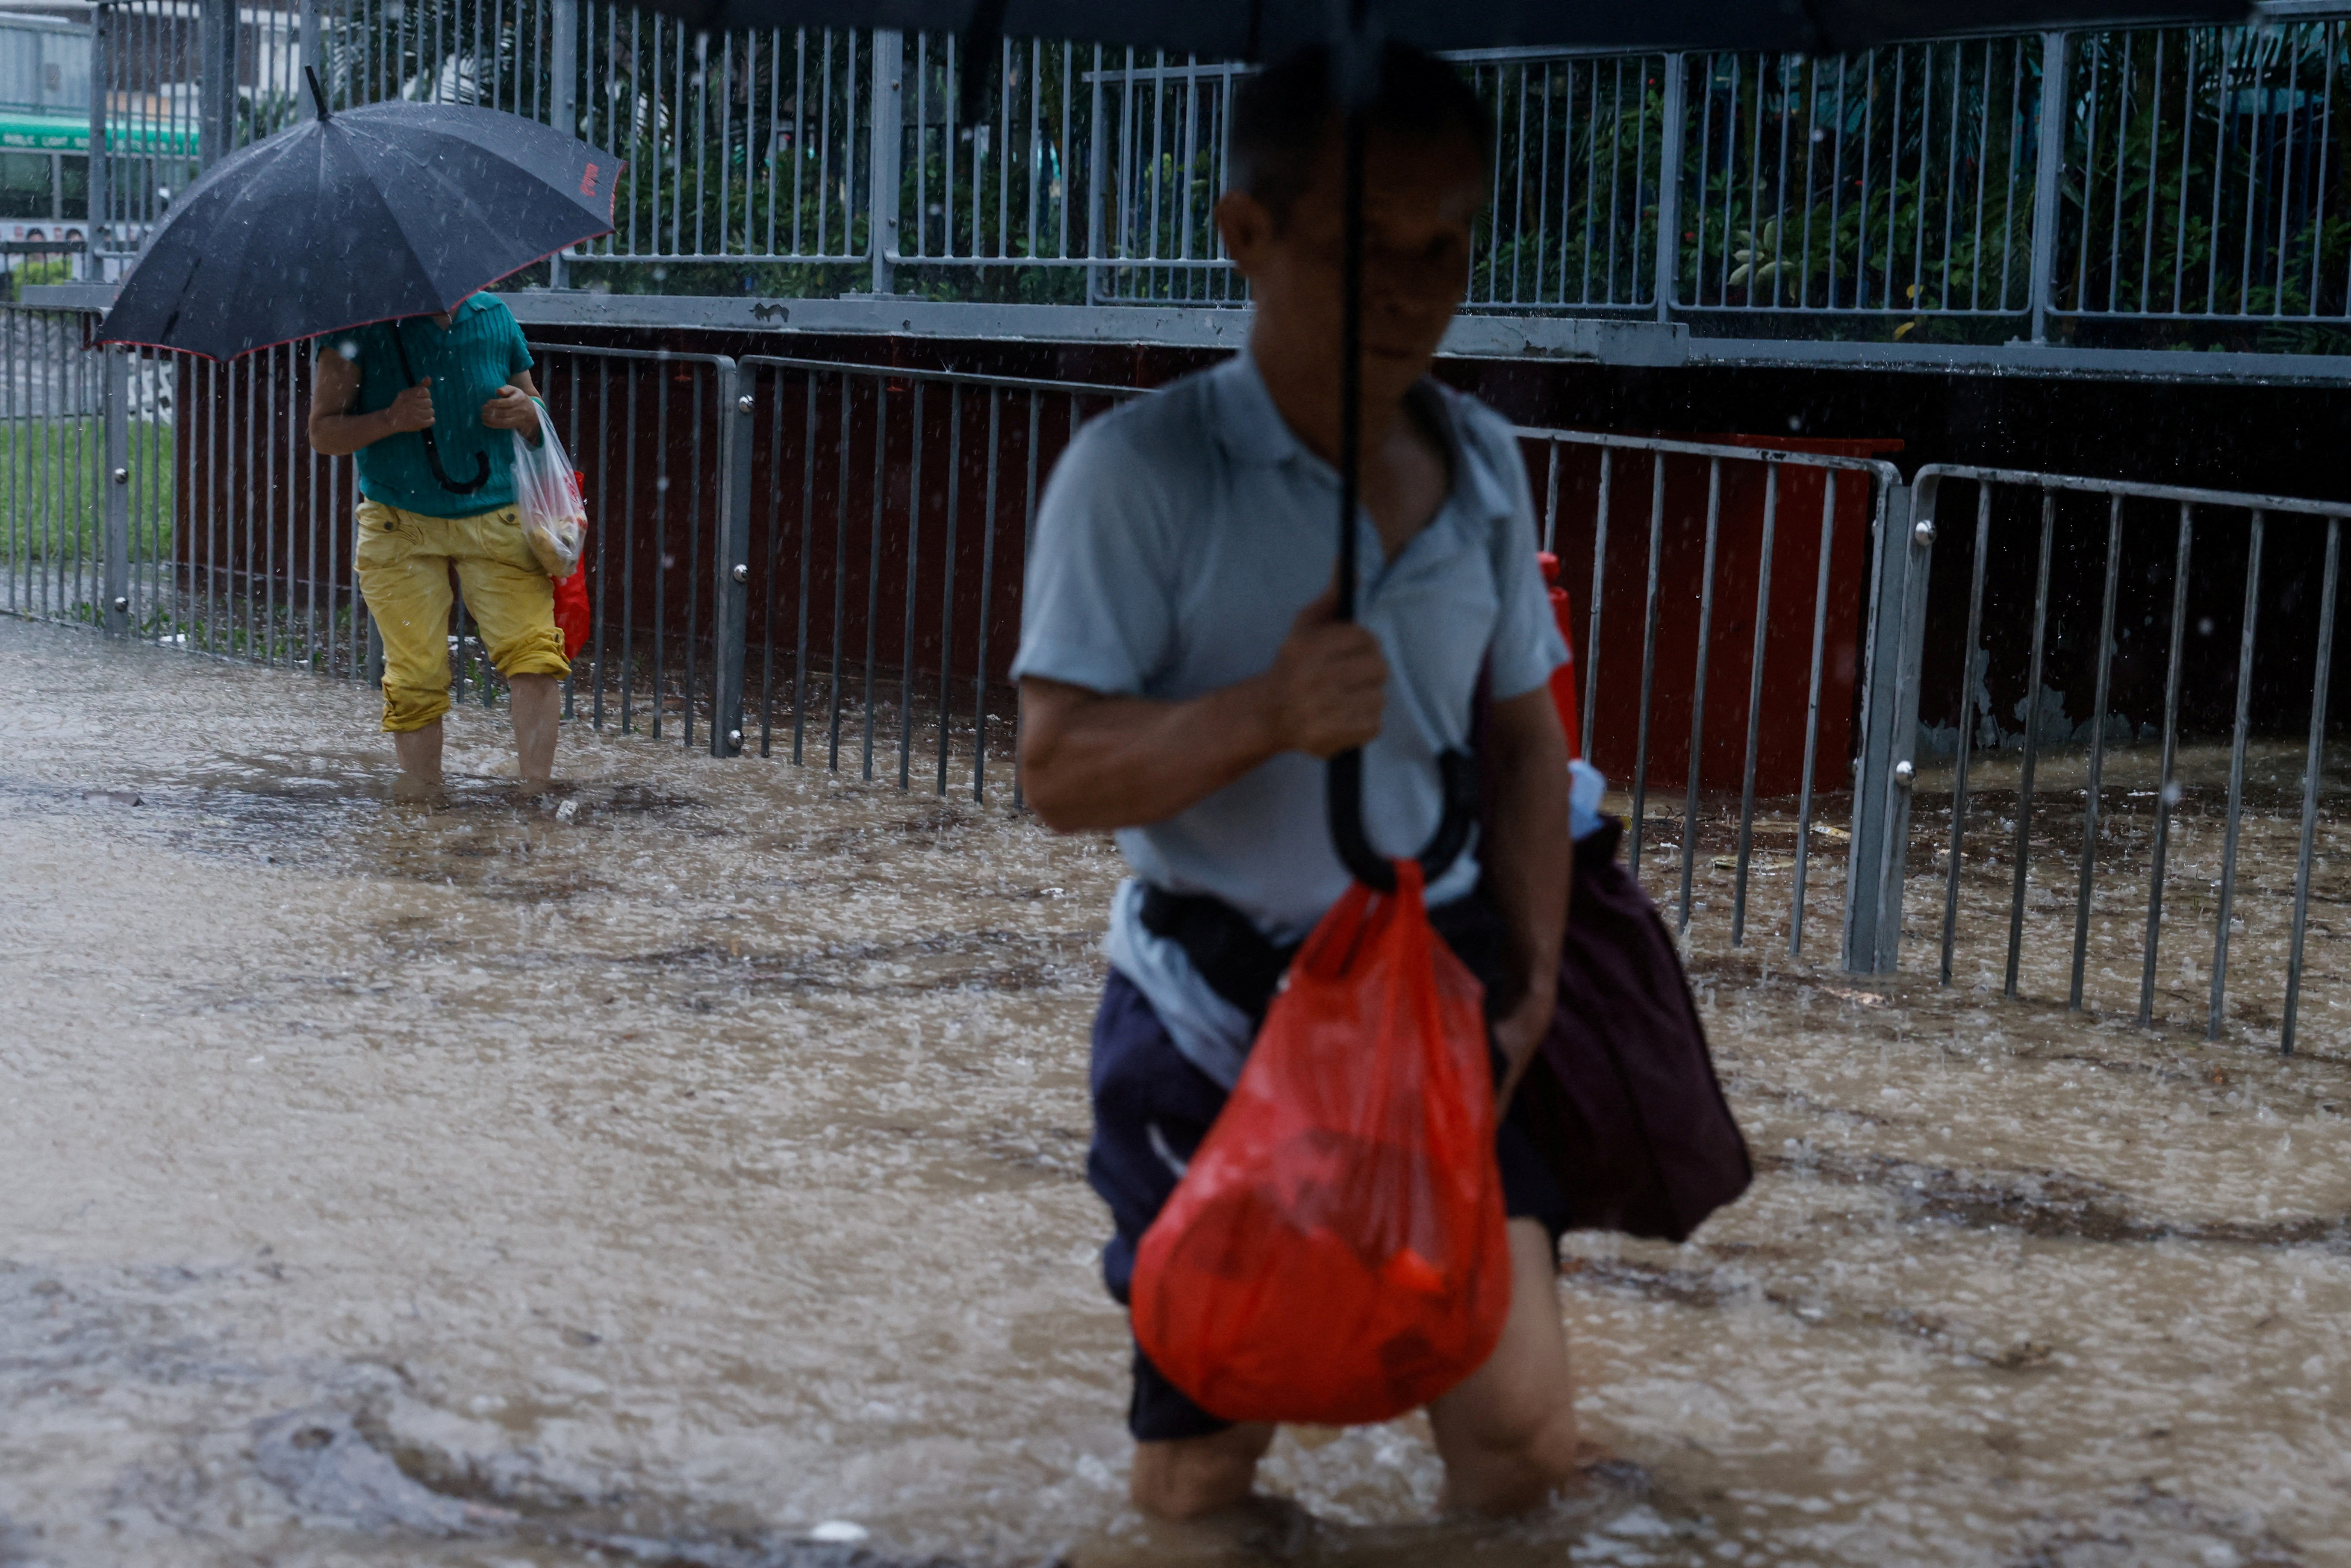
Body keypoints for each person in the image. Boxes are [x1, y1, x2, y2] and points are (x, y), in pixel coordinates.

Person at [1013, 43, 1582, 1522]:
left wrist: (1531, 980)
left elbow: (1525, 739)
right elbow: (1057, 767)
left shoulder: (1485, 462)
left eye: (1443, 244)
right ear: (1246, 235)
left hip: (1440, 995)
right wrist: (1261, 712)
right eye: (1358, 244)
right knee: (1205, 1476)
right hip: (1209, 1021)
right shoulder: (1136, 475)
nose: (1408, 288)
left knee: (1519, 1439)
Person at [306, 292, 565, 794]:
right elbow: (322, 433)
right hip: (398, 526)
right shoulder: (357, 327)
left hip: (498, 518)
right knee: (416, 677)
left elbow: (532, 400)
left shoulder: (495, 317)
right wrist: (390, 420)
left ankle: (538, 799)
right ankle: (424, 810)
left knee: (535, 658)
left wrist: (528, 413)